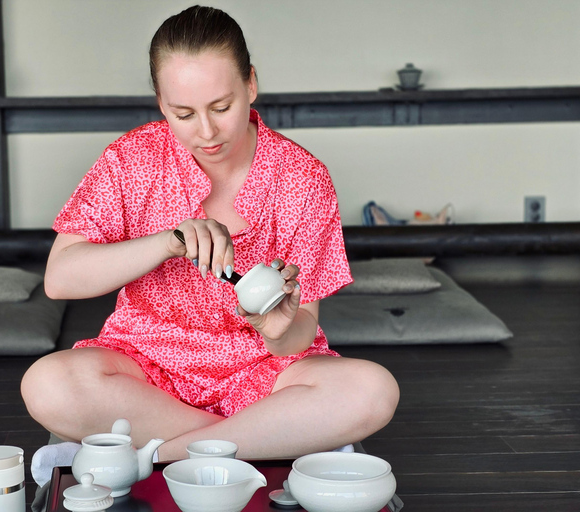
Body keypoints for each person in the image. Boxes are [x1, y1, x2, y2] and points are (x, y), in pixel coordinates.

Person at [21, 4, 399, 483]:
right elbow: (60, 278)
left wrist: (279, 329)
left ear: (251, 85)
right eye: (183, 113)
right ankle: (254, 443)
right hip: (146, 367)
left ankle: (159, 459)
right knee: (49, 384)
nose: (206, 131)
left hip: (263, 375)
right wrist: (167, 241)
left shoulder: (303, 178)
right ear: (161, 104)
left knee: (372, 390)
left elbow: (301, 336)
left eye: (222, 107)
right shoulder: (131, 159)